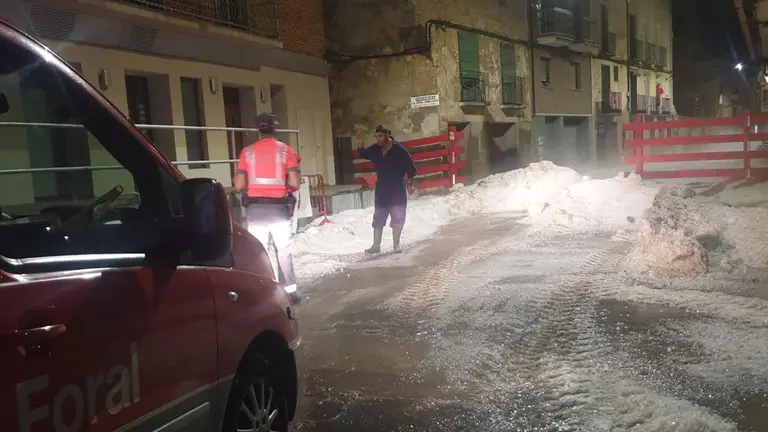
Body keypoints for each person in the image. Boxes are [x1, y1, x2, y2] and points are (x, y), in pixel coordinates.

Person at [234, 113, 301, 301]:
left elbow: (239, 185)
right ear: (275, 128)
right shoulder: (286, 151)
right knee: (284, 251)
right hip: (279, 210)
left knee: (258, 251)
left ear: (258, 129)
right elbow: (295, 183)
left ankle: (261, 290)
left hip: (255, 211)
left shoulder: (246, 152)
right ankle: (290, 293)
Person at [357, 125, 417, 254]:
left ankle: (396, 245)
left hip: (397, 188)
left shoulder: (399, 149)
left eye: (380, 136)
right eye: (376, 136)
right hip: (382, 188)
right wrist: (360, 140)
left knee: (398, 216)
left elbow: (410, 167)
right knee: (379, 216)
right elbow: (362, 153)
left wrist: (409, 183)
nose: (378, 139)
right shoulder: (374, 150)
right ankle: (376, 245)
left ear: (387, 135)